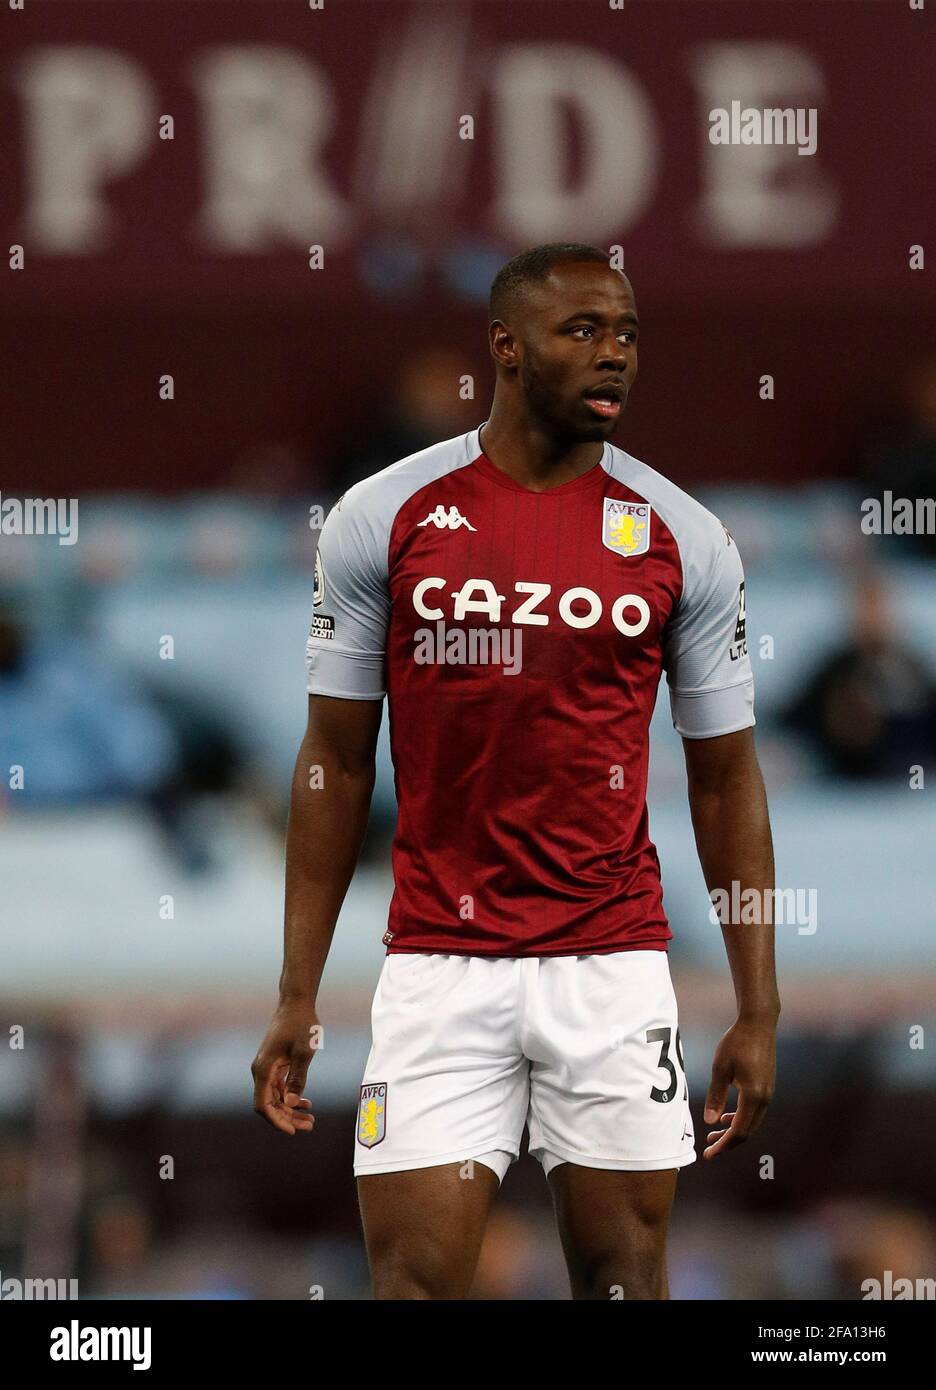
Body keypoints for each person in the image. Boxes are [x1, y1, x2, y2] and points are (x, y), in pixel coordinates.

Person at [252, 243, 780, 1300]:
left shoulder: (685, 536)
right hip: (440, 969)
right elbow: (337, 761)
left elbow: (725, 780)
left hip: (613, 962)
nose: (614, 356)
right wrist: (297, 993)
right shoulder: (383, 518)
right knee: (410, 1284)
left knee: (626, 1277)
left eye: (627, 334)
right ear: (505, 346)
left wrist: (758, 1005)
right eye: (583, 331)